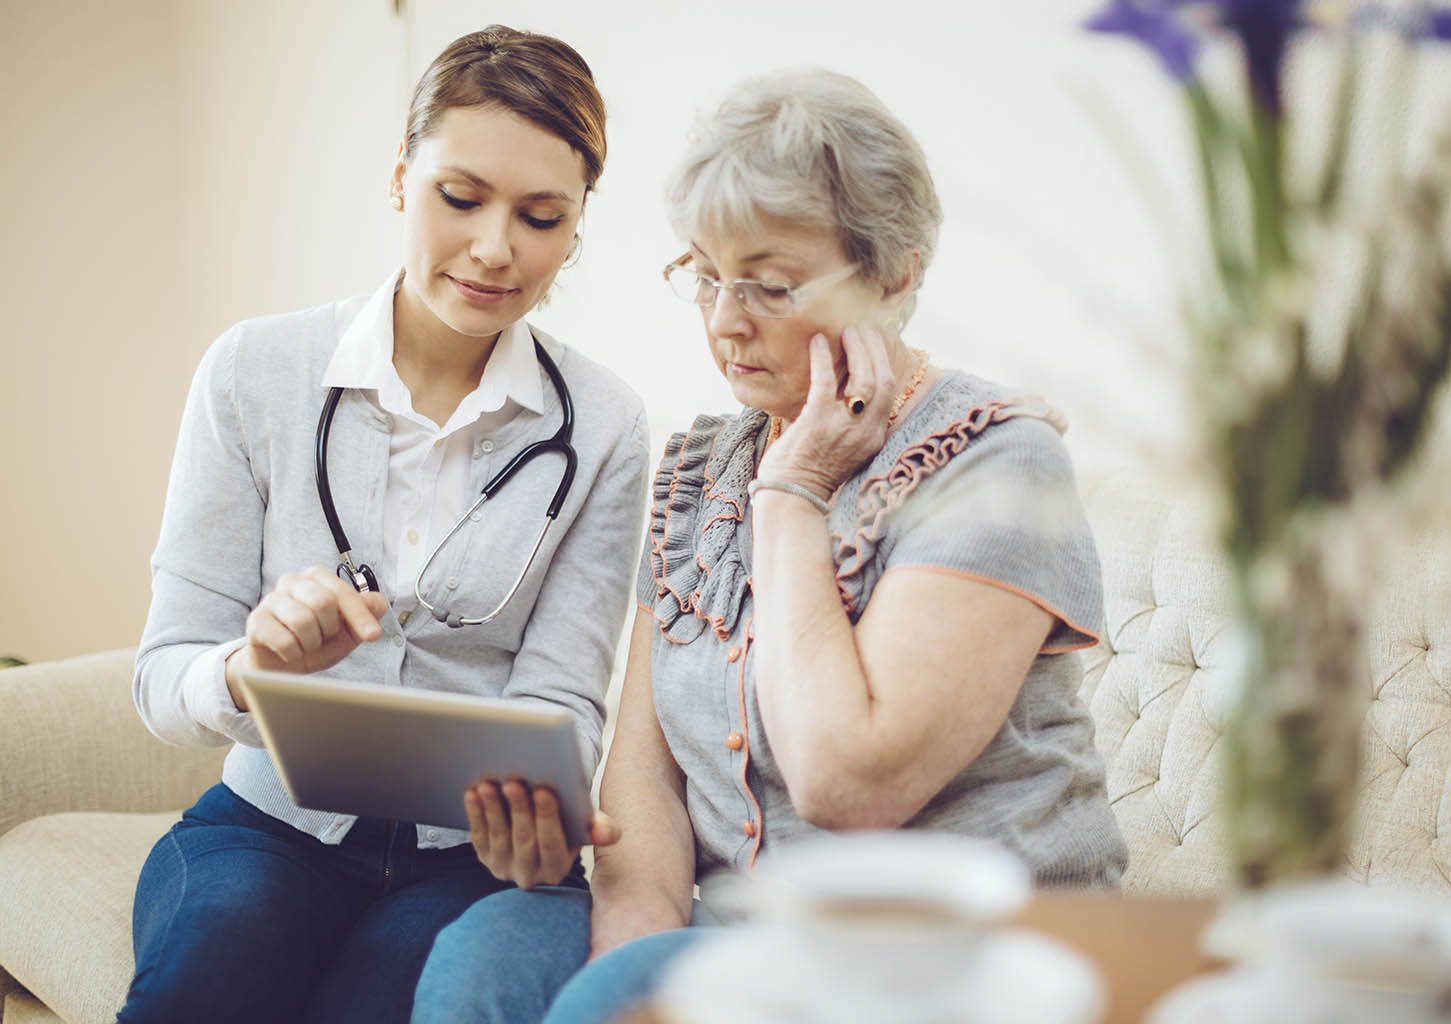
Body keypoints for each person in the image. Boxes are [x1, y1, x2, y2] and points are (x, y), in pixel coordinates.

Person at [414, 66, 1128, 1024]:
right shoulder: (701, 467)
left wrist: (793, 493)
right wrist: (637, 967)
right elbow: (647, 787)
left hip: (954, 958)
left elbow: (847, 781)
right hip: (740, 937)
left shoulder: (998, 463)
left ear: (896, 272)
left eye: (770, 286)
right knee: (484, 956)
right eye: (704, 275)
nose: (723, 320)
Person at [118, 26, 648, 1024]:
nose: (497, 248)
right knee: (209, 971)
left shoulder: (606, 424)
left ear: (575, 230)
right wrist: (248, 668)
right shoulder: (251, 372)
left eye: (541, 217)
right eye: (462, 198)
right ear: (402, 179)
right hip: (264, 825)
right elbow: (161, 676)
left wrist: (543, 813)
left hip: (464, 863)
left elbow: (565, 705)